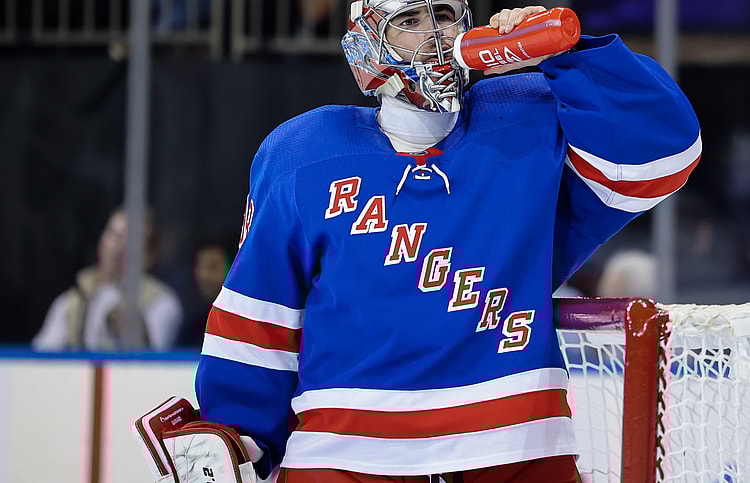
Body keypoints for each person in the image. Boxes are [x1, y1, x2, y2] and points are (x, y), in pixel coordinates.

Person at [192, 2, 701, 481]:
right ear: (366, 40)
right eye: (409, 20)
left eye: (445, 16)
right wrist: (240, 437)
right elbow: (260, 316)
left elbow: (663, 156)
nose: (435, 36)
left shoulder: (527, 118)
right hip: (345, 454)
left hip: (519, 447)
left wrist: (565, 57)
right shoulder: (303, 153)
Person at [32, 207, 183, 351]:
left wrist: (141, 336)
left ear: (149, 253)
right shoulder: (72, 301)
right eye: (114, 235)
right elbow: (41, 358)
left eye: (130, 239)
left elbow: (159, 366)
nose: (118, 245)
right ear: (101, 241)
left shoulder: (161, 302)